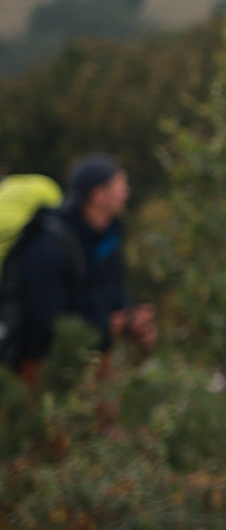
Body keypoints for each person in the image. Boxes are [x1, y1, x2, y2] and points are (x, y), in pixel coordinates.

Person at [6, 154, 156, 383]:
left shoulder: (111, 236)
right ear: (98, 194)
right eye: (120, 185)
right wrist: (108, 324)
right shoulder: (50, 246)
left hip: (95, 359)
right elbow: (46, 321)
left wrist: (131, 319)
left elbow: (113, 290)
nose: (127, 192)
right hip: (45, 367)